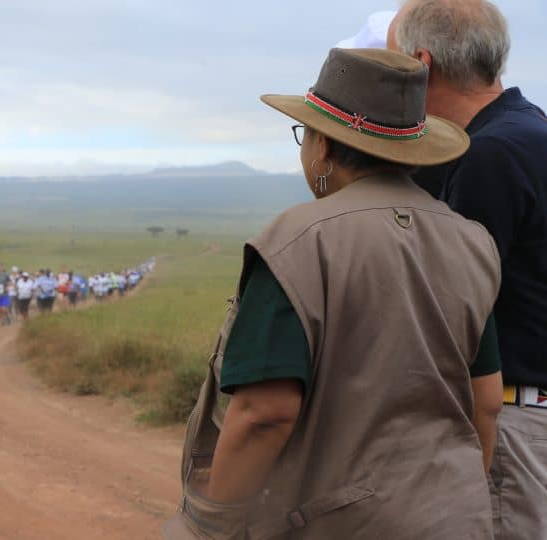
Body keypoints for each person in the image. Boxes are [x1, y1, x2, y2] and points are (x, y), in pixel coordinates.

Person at [165, 49, 503, 540]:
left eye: (304, 134)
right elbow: (486, 401)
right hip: (455, 518)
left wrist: (210, 525)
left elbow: (264, 414)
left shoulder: (297, 241)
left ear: (322, 145)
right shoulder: (472, 242)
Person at [389, 2, 547, 536]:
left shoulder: (490, 154)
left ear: (422, 63)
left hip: (511, 421)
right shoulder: (527, 129)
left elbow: (452, 306)